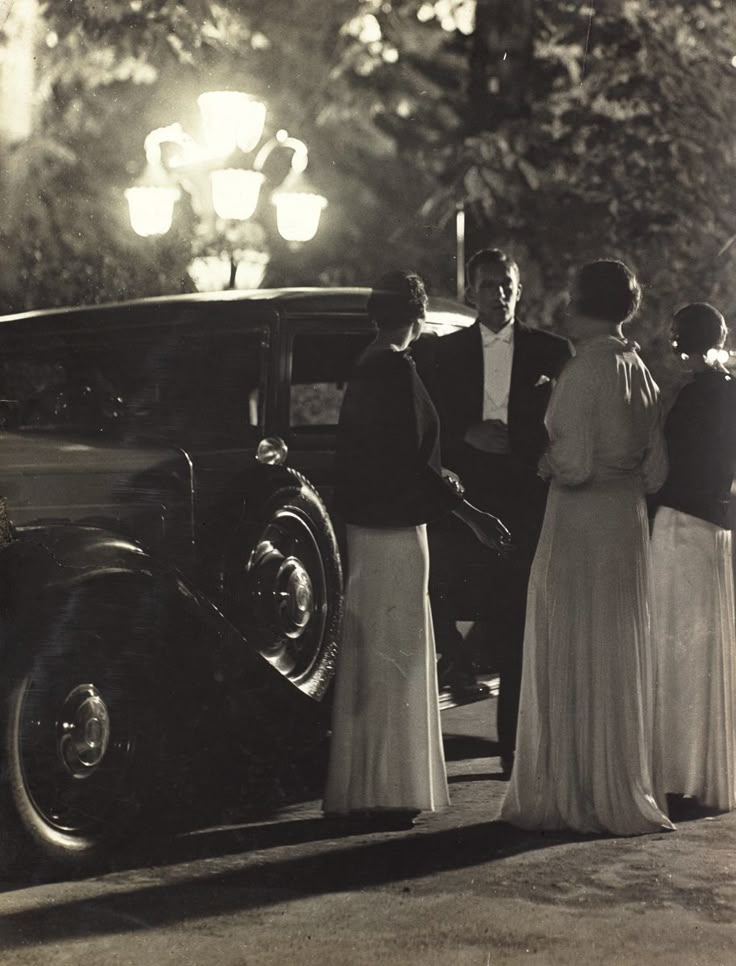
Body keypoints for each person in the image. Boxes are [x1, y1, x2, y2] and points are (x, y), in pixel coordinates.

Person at [323, 270, 511, 823]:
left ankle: (368, 784)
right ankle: (393, 787)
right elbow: (414, 461)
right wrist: (470, 511)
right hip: (398, 532)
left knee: (372, 650)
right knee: (399, 651)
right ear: (419, 313)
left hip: (367, 528)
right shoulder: (395, 369)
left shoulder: (365, 368)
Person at [501, 259, 675, 836]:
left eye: (571, 300)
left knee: (572, 635)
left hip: (580, 519)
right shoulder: (639, 369)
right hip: (623, 521)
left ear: (586, 306)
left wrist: (540, 455)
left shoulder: (582, 372)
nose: (563, 311)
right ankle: (615, 780)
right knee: (612, 644)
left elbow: (570, 466)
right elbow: (655, 471)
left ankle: (574, 787)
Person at [415, 248, 570, 773]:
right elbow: (431, 425)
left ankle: (515, 750)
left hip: (527, 498)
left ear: (518, 290)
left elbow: (563, 425)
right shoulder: (444, 352)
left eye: (506, 284)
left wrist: (518, 443)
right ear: (471, 293)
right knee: (460, 610)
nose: (498, 293)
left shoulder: (551, 351)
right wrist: (467, 434)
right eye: (488, 284)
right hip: (466, 502)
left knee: (520, 620)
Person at [651, 302, 736, 812]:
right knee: (706, 650)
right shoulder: (730, 391)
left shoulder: (688, 398)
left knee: (676, 649)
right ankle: (703, 767)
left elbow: (667, 468)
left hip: (681, 525)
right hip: (716, 530)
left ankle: (675, 769)